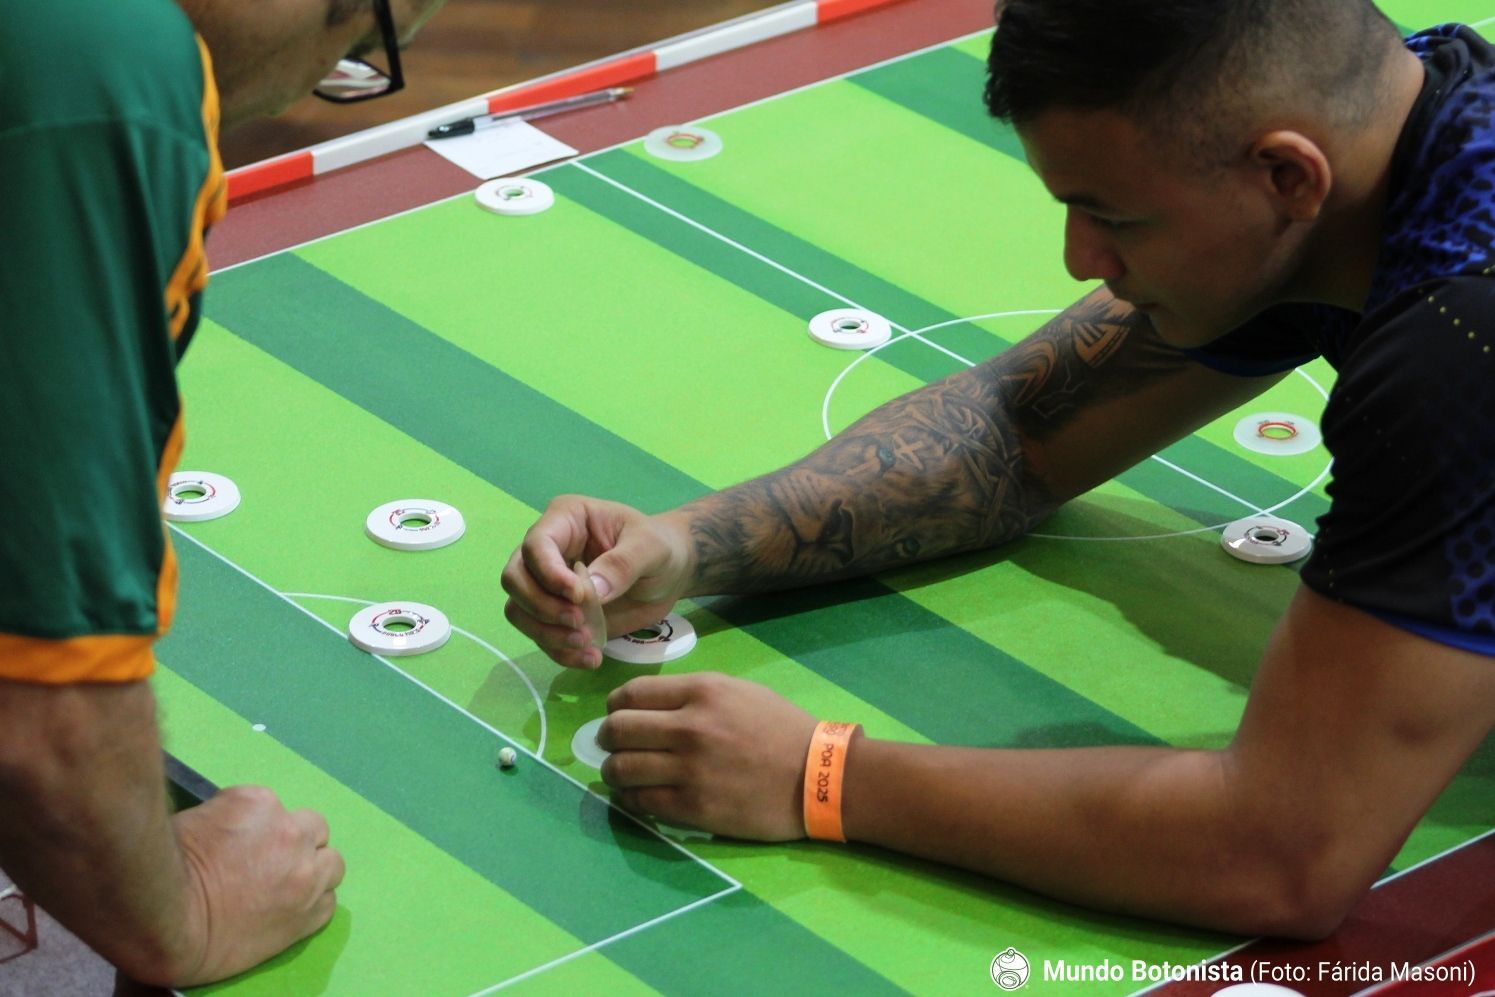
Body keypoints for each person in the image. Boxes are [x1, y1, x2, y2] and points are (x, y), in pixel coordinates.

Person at [502, 0, 1495, 939]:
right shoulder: (1403, 134)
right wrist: (684, 545)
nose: (1078, 258)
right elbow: (1020, 433)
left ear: (1286, 176)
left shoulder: (1458, 341)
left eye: (1115, 219)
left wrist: (820, 775)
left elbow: (1280, 852)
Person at [0, 0, 443, 985]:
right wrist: (188, 908)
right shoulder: (106, 67)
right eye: (358, 45)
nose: (307, 84)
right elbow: (40, 706)